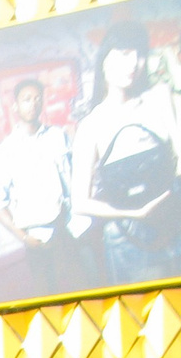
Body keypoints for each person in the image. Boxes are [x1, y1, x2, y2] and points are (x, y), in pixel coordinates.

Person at [70, 22, 181, 285]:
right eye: (124, 53)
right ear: (104, 60)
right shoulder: (91, 125)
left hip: (174, 224)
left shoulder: (159, 97)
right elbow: (80, 202)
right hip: (128, 238)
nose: (133, 63)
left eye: (139, 54)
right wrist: (135, 213)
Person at [0, 76, 82, 293]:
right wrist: (23, 237)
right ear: (15, 106)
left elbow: (74, 179)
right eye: (26, 99)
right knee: (49, 298)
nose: (33, 104)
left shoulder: (58, 136)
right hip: (38, 238)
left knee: (82, 289)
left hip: (68, 229)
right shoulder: (6, 152)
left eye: (37, 98)